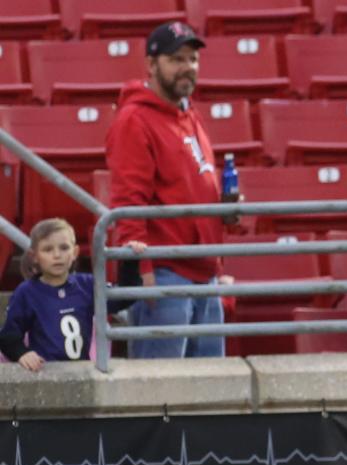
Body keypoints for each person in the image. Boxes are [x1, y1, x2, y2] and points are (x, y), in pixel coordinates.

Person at [106, 21, 227, 360]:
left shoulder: (190, 114)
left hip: (204, 274)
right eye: (176, 59)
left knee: (213, 391)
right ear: (151, 64)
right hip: (164, 273)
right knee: (160, 391)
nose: (187, 67)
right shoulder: (135, 120)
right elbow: (128, 202)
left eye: (192, 59)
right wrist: (142, 272)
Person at [0, 219, 144, 370]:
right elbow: (9, 335)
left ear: (75, 252)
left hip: (81, 372)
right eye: (48, 249)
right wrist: (22, 353)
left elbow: (123, 298)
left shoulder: (87, 284)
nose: (57, 255)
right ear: (34, 256)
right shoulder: (26, 293)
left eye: (64, 248)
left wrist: (130, 261)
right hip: (45, 375)